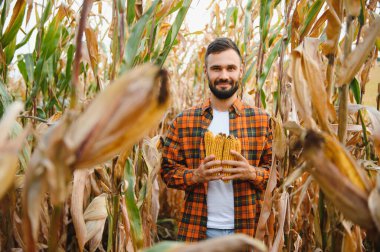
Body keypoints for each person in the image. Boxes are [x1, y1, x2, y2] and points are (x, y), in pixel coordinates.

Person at [161, 37, 272, 242]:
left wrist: (252, 173)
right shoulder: (184, 121)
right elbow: (167, 172)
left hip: (247, 230)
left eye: (231, 68)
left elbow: (278, 175)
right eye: (216, 69)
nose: (224, 75)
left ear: (241, 70)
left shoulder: (262, 121)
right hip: (198, 230)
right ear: (206, 72)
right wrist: (195, 176)